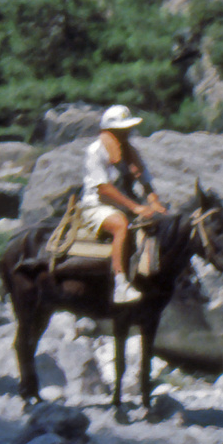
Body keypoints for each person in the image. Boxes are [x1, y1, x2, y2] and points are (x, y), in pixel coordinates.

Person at [82, 104, 166, 305]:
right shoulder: (95, 151)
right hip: (96, 205)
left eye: (127, 130)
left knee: (164, 222)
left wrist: (153, 201)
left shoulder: (131, 151)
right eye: (122, 130)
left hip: (125, 203)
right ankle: (121, 285)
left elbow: (145, 180)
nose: (126, 134)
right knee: (120, 224)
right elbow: (104, 189)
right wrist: (136, 207)